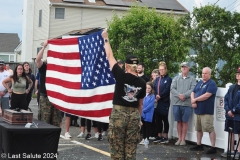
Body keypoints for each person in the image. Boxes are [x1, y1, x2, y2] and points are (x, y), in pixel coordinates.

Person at [102, 29, 146, 160]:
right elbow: (140, 104)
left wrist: (106, 38)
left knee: (117, 148)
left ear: (126, 65)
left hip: (119, 115)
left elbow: (110, 56)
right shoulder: (143, 82)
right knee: (131, 149)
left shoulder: (120, 75)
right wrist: (139, 119)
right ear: (137, 65)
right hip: (133, 115)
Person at [190, 67, 218, 154]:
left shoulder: (212, 84)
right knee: (198, 129)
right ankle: (199, 145)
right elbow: (193, 92)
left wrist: (195, 100)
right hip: (198, 110)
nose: (203, 75)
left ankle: (213, 147)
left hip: (206, 111)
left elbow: (207, 95)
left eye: (205, 73)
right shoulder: (200, 82)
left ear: (209, 74)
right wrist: (192, 100)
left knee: (209, 128)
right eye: (202, 73)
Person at [35, 40, 62, 127]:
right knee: (44, 122)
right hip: (45, 97)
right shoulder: (44, 67)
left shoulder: (58, 68)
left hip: (56, 97)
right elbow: (37, 60)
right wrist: (44, 47)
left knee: (55, 122)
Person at [170, 62, 196, 145]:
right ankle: (179, 138)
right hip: (177, 103)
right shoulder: (176, 78)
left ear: (188, 68)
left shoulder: (192, 79)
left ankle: (183, 139)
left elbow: (193, 89)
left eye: (185, 67)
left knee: (185, 121)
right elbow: (172, 88)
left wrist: (184, 95)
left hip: (187, 103)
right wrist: (179, 95)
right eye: (182, 67)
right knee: (178, 121)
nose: (184, 68)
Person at [220, 67, 240, 158]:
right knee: (230, 131)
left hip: (238, 115)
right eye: (237, 73)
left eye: (239, 74)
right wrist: (228, 110)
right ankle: (231, 150)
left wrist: (233, 111)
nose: (238, 75)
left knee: (239, 132)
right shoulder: (232, 87)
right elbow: (226, 98)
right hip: (229, 115)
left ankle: (239, 152)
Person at [153, 61, 172, 143]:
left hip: (164, 101)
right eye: (160, 70)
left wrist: (160, 96)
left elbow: (167, 90)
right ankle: (159, 135)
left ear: (166, 69)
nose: (161, 71)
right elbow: (154, 89)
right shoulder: (157, 79)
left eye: (163, 69)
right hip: (157, 102)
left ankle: (166, 136)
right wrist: (156, 95)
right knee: (158, 119)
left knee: (165, 119)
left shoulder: (168, 79)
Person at [139, 82, 155, 146]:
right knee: (143, 126)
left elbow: (150, 105)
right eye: (146, 88)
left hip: (148, 114)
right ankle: (143, 138)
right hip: (143, 114)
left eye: (149, 88)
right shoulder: (143, 95)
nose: (147, 89)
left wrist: (143, 110)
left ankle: (146, 139)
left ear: (151, 89)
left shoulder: (152, 96)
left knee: (147, 126)